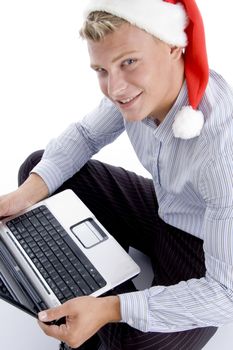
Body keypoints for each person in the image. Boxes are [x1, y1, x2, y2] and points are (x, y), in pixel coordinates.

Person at [1, 0, 233, 349]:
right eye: (102, 70)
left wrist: (113, 308)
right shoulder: (133, 92)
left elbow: (226, 295)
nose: (116, 88)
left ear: (173, 47)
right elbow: (85, 135)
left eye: (129, 62)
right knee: (38, 172)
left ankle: (95, 307)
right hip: (164, 207)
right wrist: (23, 195)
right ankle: (87, 280)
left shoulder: (222, 152)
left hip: (204, 249)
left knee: (129, 344)